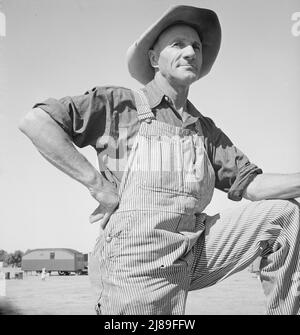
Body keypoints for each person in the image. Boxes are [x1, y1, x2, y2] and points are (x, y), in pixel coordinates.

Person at [18, 5, 300, 315]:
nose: (191, 51)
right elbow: (36, 122)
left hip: (193, 250)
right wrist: (96, 185)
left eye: (196, 46)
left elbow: (254, 186)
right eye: (178, 44)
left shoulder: (204, 129)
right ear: (154, 59)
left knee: (285, 215)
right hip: (135, 260)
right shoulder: (118, 104)